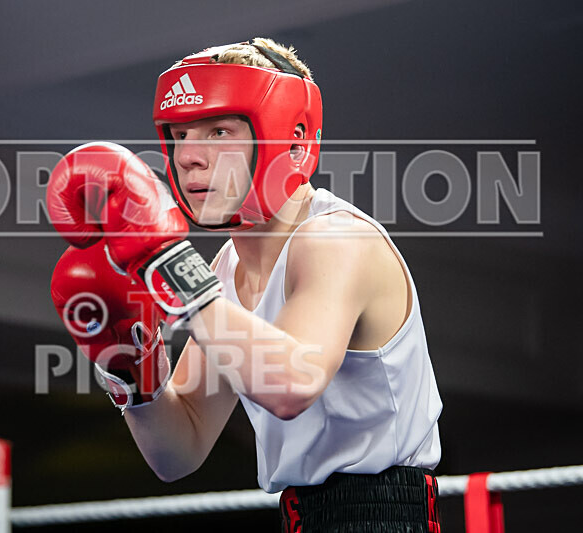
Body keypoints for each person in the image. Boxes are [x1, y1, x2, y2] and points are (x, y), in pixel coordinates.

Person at [48, 37, 442, 532]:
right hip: (299, 518)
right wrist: (129, 369)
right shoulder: (224, 270)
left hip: (385, 517)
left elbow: (292, 381)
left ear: (293, 141)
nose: (190, 155)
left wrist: (166, 263)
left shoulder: (335, 239)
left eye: (218, 131)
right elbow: (180, 450)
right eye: (181, 133)